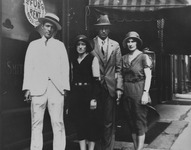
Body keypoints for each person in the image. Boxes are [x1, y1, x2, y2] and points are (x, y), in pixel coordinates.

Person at [22, 13, 70, 150]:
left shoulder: (60, 46)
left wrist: (65, 89)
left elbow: (65, 68)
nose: (49, 29)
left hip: (56, 89)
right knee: (36, 123)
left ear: (55, 30)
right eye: (47, 26)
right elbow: (28, 67)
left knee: (58, 123)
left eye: (52, 27)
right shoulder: (33, 45)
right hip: (37, 89)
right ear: (42, 27)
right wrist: (27, 88)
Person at [91, 15, 123, 150]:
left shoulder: (115, 45)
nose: (103, 31)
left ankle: (107, 148)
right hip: (94, 87)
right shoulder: (90, 43)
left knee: (109, 121)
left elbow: (119, 69)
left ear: (109, 30)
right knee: (95, 119)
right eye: (100, 28)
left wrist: (119, 89)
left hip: (110, 87)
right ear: (97, 30)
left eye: (106, 28)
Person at [69, 34, 102, 150]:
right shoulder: (73, 60)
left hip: (89, 94)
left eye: (83, 44)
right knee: (79, 124)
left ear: (87, 46)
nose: (80, 47)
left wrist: (94, 98)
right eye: (78, 44)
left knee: (91, 124)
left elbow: (96, 81)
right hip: (77, 95)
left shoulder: (93, 59)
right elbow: (72, 79)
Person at [121, 31, 152, 150]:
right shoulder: (124, 58)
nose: (130, 43)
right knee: (131, 122)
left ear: (137, 42)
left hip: (139, 89)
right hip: (127, 90)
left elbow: (148, 76)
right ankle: (135, 147)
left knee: (140, 121)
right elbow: (120, 74)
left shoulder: (143, 56)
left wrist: (145, 93)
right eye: (128, 41)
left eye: (133, 41)